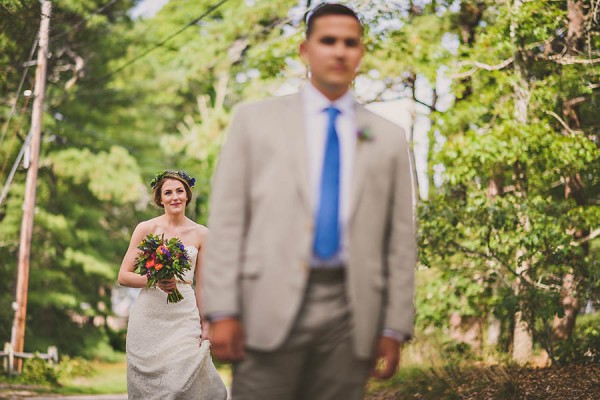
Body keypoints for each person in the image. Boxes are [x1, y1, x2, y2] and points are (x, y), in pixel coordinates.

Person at [202, 3, 416, 399]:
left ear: (361, 53)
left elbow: (400, 239)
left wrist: (393, 326)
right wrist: (222, 310)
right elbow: (229, 221)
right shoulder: (255, 121)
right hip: (266, 304)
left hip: (352, 312)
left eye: (350, 43)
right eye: (328, 41)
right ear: (305, 51)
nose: (339, 51)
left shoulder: (388, 136)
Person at [118, 170, 227, 400]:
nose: (174, 197)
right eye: (168, 192)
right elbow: (123, 276)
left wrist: (206, 324)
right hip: (148, 318)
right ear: (160, 199)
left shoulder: (202, 234)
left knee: (180, 385)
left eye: (179, 191)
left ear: (187, 195)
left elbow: (202, 285)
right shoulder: (146, 229)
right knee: (150, 389)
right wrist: (155, 279)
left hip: (184, 316)